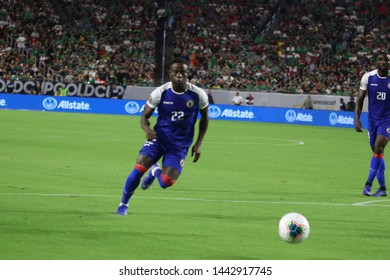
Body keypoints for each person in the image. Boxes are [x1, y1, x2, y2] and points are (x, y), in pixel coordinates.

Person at [116, 58, 209, 215]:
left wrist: (198, 144)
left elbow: (205, 118)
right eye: (175, 72)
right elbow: (144, 117)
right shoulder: (160, 92)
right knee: (138, 168)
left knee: (166, 182)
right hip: (159, 139)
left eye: (183, 72)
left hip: (179, 145)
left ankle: (155, 172)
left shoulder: (198, 94)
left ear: (188, 74)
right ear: (170, 74)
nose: (179, 75)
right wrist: (148, 131)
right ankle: (123, 204)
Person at [355, 51, 390, 197]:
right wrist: (357, 119)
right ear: (376, 62)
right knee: (377, 153)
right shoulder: (368, 77)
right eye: (380, 60)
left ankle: (368, 185)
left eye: (385, 60)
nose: (382, 62)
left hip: (387, 120)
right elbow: (360, 99)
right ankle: (382, 188)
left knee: (378, 147)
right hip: (372, 120)